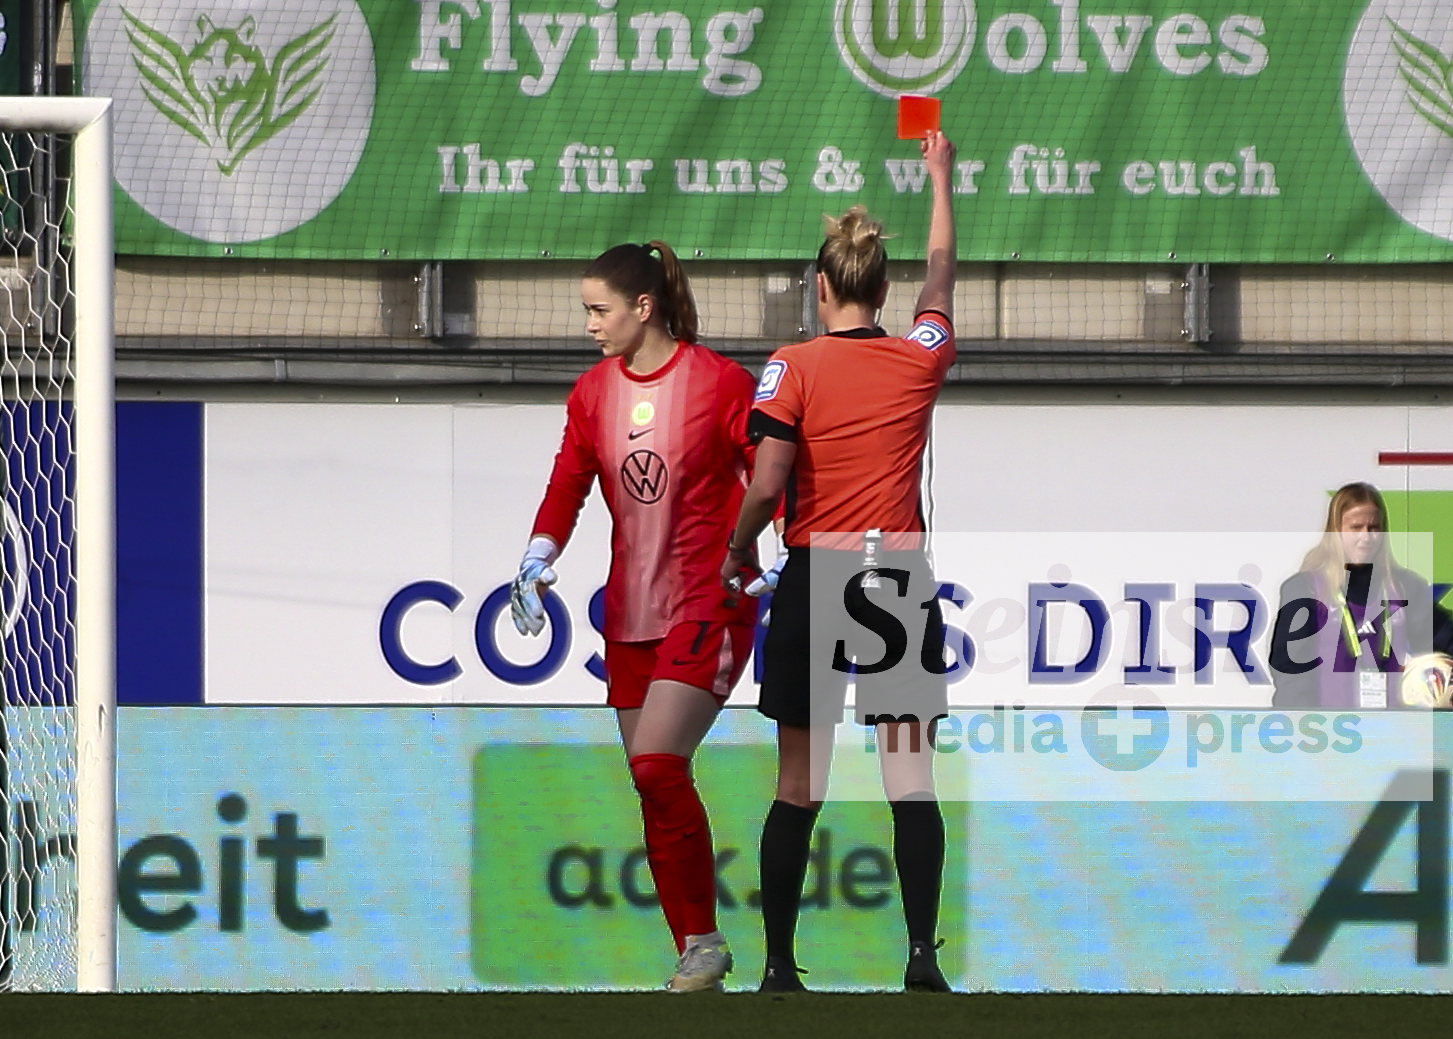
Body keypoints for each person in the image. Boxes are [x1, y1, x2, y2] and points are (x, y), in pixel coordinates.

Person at [721, 131, 959, 993]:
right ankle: (921, 957)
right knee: (910, 779)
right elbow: (941, 280)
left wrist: (739, 546)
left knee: (798, 783)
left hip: (818, 573)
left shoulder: (790, 365)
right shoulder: (918, 355)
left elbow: (767, 480)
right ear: (883, 289)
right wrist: (940, 178)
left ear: (818, 287)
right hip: (894, 576)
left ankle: (778, 966)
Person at [510, 241, 759, 991]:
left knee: (656, 762)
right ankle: (698, 948)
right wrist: (538, 554)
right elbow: (568, 483)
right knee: (651, 782)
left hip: (708, 602)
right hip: (630, 614)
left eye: (599, 310)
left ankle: (706, 941)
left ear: (642, 307)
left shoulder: (720, 382)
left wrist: (777, 550)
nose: (589, 324)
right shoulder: (592, 393)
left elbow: (768, 474)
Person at [1270, 482, 1446, 708]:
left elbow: (1445, 640)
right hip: (1331, 726)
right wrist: (1300, 724)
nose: (1366, 537)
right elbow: (1291, 674)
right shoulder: (1306, 589)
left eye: (1374, 528)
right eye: (1355, 528)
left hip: (1395, 725)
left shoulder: (1404, 587)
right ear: (1336, 531)